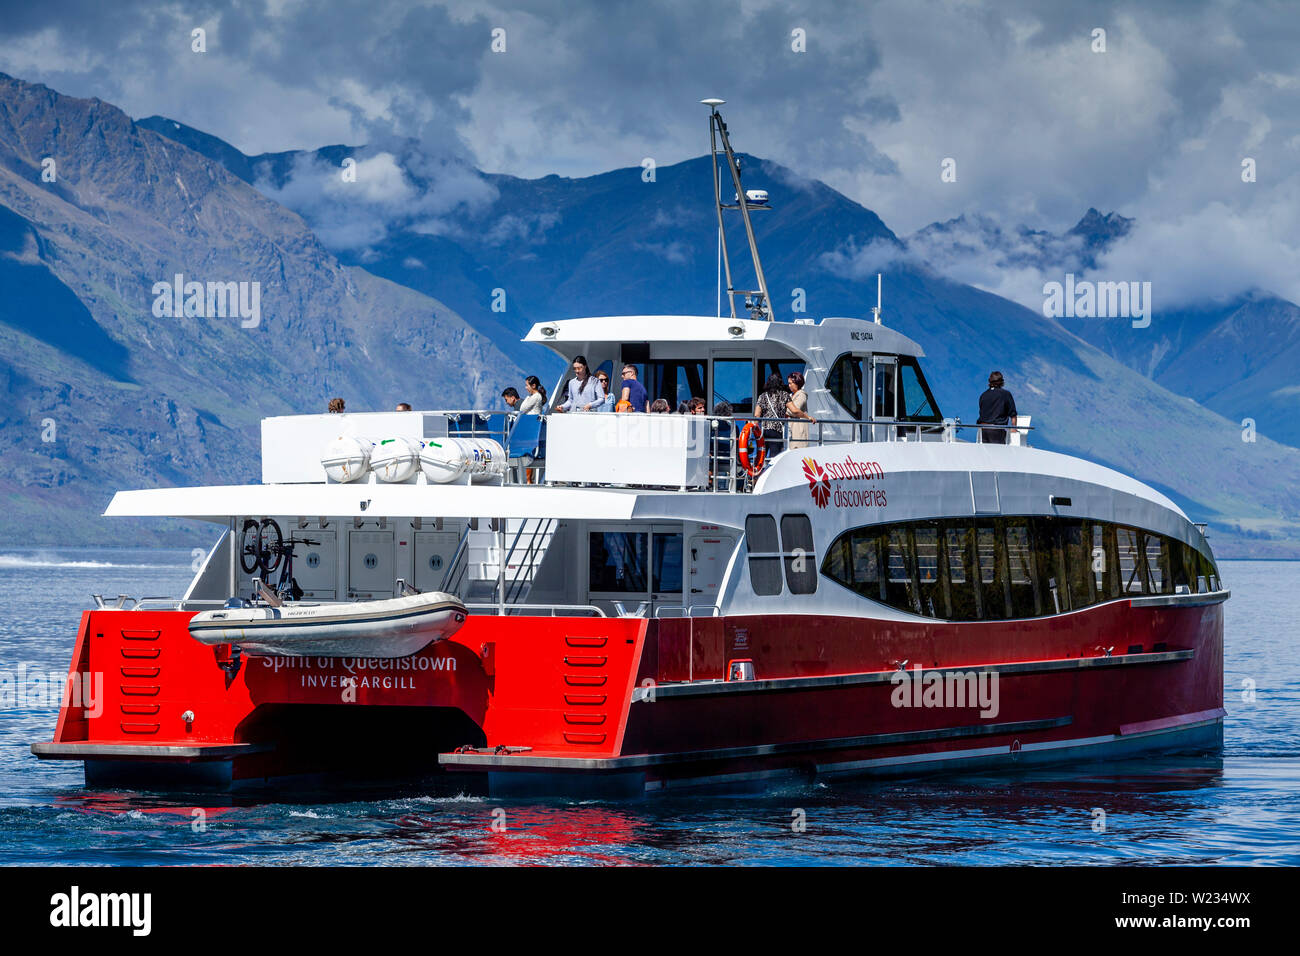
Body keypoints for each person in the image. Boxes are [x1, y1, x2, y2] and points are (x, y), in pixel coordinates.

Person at [754, 373, 791, 458]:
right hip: (777, 430)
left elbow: (757, 414)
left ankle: (758, 470)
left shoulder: (763, 396)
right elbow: (793, 410)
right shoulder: (784, 395)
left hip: (765, 430)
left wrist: (755, 430)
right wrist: (806, 416)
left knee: (761, 455)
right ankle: (772, 471)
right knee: (774, 455)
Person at [978, 370, 1018, 444]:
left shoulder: (983, 395)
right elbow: (1013, 414)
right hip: (997, 430)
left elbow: (981, 412)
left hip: (983, 429)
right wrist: (1014, 428)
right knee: (998, 453)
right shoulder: (1005, 394)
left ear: (990, 382)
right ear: (1002, 382)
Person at [785, 371, 817, 449]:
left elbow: (794, 410)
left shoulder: (801, 394)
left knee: (797, 449)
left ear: (797, 383)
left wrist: (784, 408)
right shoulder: (791, 395)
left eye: (790, 383)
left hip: (798, 429)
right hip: (791, 428)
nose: (789, 386)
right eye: (788, 383)